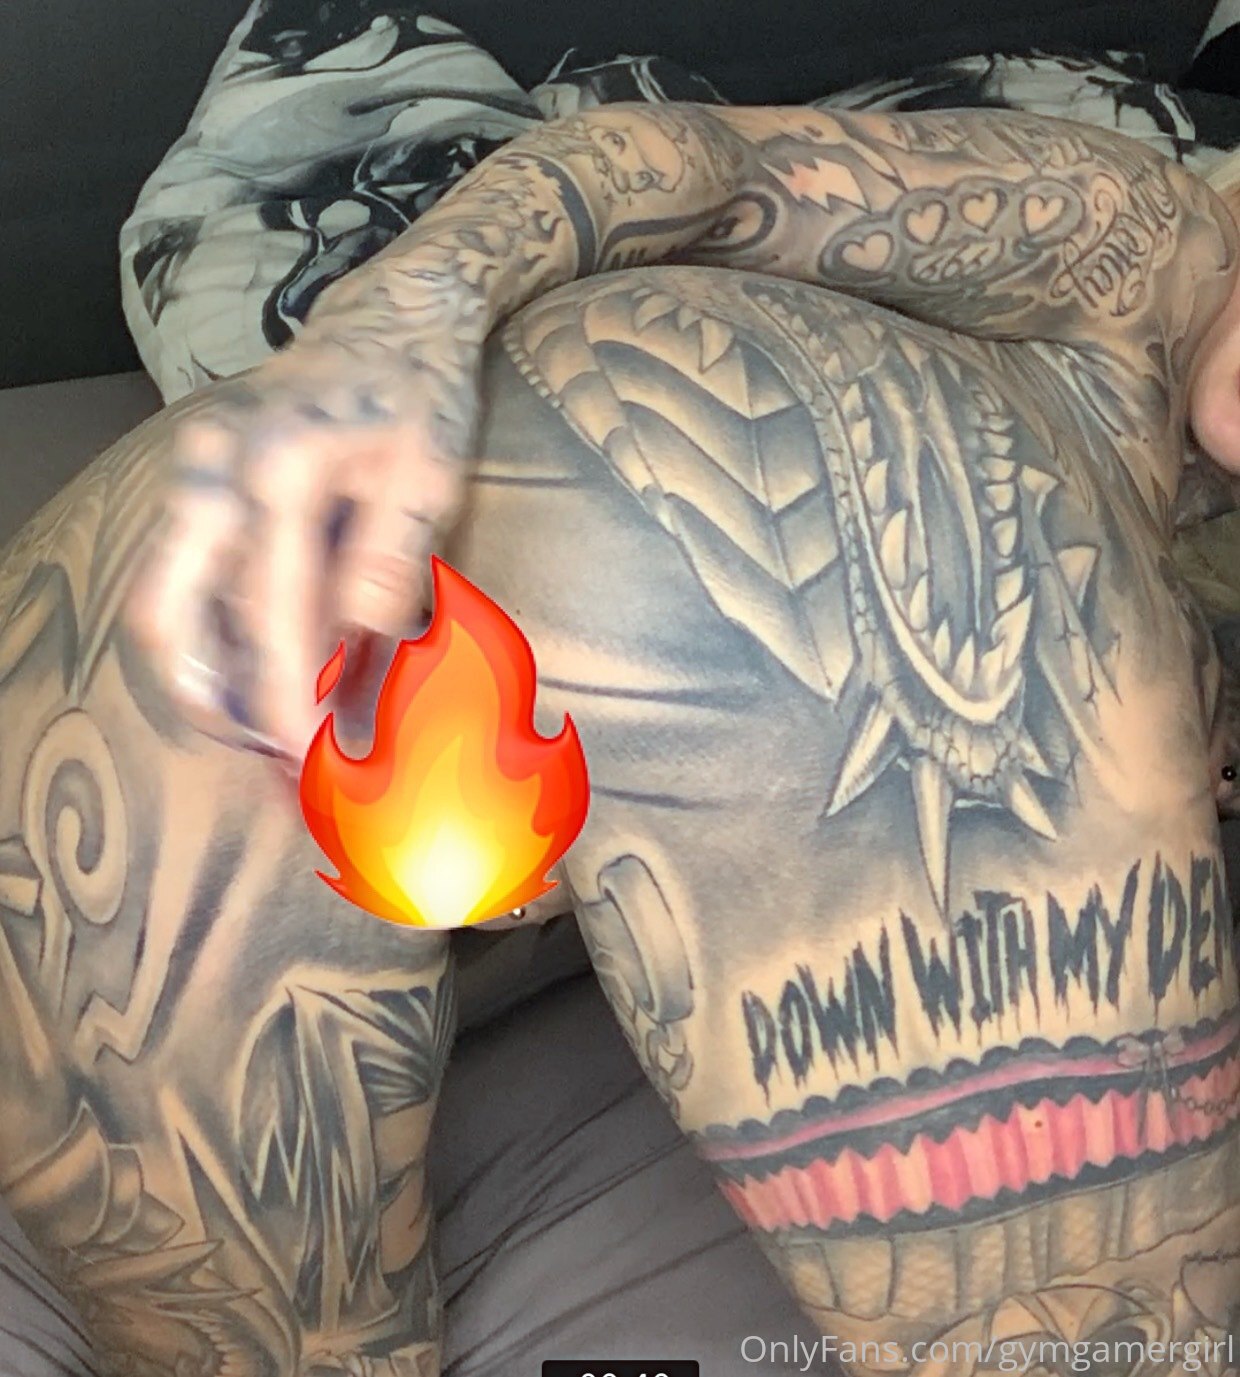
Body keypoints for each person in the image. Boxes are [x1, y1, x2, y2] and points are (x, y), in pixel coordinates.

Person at [2, 102, 1240, 1376]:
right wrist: (402, 312)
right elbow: (703, 161)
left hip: (127, 614)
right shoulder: (1161, 233)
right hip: (644, 514)